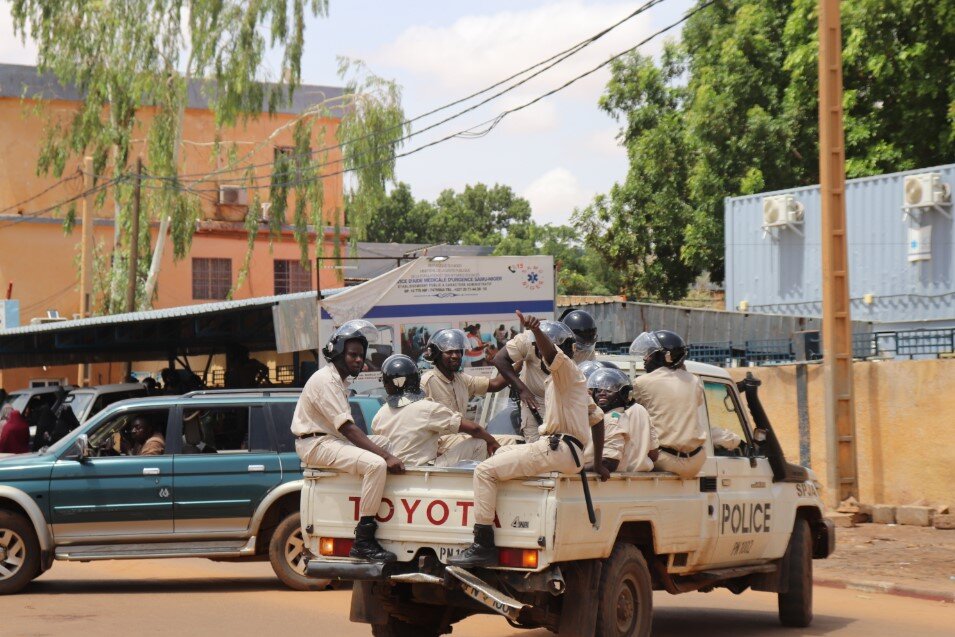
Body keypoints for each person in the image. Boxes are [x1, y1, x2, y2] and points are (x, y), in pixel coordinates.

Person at [449, 312, 610, 568]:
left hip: (557, 447)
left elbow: (551, 354)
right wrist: (598, 463)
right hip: (567, 451)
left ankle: (483, 544)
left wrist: (535, 330)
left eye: (543, 349)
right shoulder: (567, 381)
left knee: (483, 472)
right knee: (501, 456)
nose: (539, 354)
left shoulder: (565, 369)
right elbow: (598, 418)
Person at [291, 319, 405, 563]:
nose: (358, 360)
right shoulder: (326, 380)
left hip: (328, 439)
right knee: (376, 464)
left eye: (361, 356)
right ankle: (363, 540)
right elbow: (348, 428)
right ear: (338, 352)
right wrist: (385, 458)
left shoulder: (338, 380)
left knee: (384, 442)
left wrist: (384, 450)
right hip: (316, 444)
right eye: (353, 354)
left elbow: (348, 431)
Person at [372, 354, 500, 467]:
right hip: (425, 470)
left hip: (399, 470)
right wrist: (492, 441)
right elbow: (475, 429)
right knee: (480, 442)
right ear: (416, 379)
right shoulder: (427, 408)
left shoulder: (379, 415)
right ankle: (470, 487)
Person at [494, 320, 605, 442]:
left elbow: (597, 418)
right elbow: (499, 359)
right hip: (533, 401)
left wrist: (597, 461)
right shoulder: (526, 340)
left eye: (551, 355)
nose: (546, 357)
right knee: (535, 448)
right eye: (541, 352)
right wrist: (522, 389)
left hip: (561, 401)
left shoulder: (570, 371)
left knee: (563, 446)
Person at [420, 329, 520, 449]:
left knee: (514, 441)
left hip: (457, 441)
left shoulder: (461, 379)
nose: (455, 356)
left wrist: (520, 362)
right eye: (449, 352)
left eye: (458, 351)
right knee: (487, 443)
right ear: (437, 355)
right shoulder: (426, 382)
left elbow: (495, 384)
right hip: (438, 445)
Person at [630, 330, 707, 479]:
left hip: (664, 460)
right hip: (697, 460)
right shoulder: (694, 381)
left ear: (666, 356)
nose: (645, 358)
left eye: (650, 354)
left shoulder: (642, 382)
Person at [584, 368, 657, 473]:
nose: (602, 393)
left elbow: (609, 462)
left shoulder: (612, 419)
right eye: (599, 390)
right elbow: (654, 454)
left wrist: (578, 469)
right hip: (640, 474)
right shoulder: (639, 410)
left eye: (609, 390)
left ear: (622, 394)